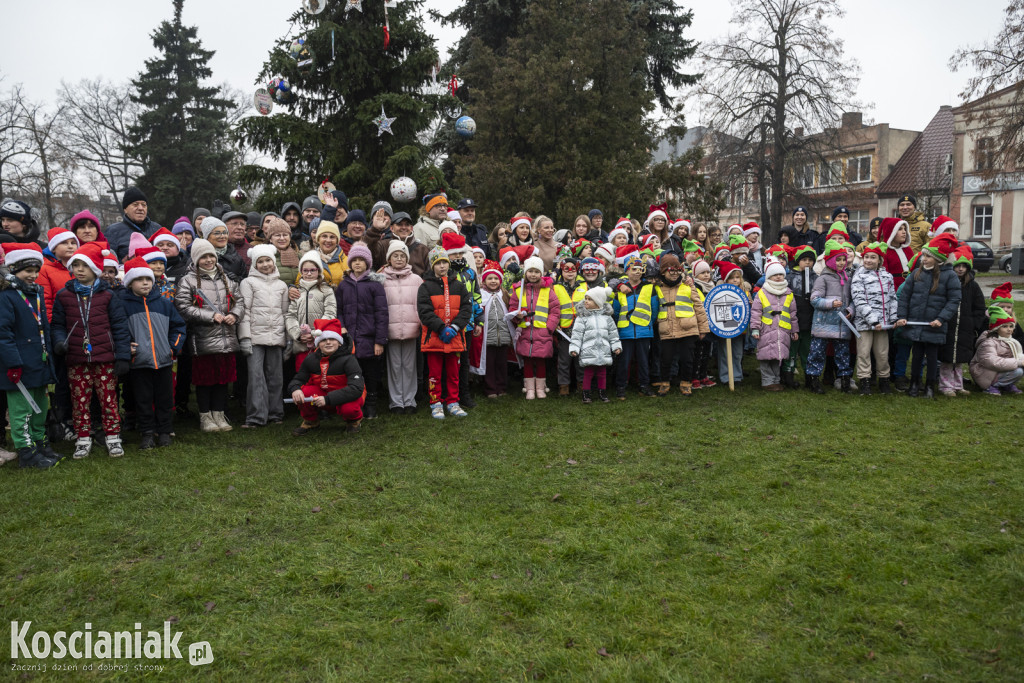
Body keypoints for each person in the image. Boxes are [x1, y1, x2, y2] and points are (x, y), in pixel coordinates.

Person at [51, 241, 131, 459]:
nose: (78, 270)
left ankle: (113, 436)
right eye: (75, 265)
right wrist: (59, 341)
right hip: (76, 358)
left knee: (108, 399)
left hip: (105, 358)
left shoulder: (108, 296)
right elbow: (57, 324)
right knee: (80, 401)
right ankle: (83, 437)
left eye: (83, 266)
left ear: (94, 269)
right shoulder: (63, 296)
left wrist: (122, 356)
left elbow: (120, 327)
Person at [0, 242, 61, 468]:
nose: (33, 275)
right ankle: (26, 453)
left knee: (39, 408)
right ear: (15, 270)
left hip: (39, 362)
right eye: (28, 271)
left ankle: (39, 443)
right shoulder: (6, 296)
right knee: (22, 411)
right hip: (18, 367)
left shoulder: (36, 293)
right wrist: (13, 363)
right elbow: (3, 334)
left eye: (36, 270)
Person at [174, 238, 244, 432]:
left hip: (226, 338)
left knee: (223, 379)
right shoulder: (188, 280)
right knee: (205, 380)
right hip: (203, 339)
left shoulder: (226, 279)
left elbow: (240, 302)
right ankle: (206, 416)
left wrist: (234, 315)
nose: (208, 260)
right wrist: (210, 316)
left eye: (211, 256)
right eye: (203, 257)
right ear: (196, 259)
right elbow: (183, 307)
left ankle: (219, 414)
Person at [118, 256, 187, 449]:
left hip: (164, 361)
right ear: (130, 283)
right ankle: (147, 432)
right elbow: (119, 331)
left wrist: (173, 347)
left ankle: (164, 431)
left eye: (148, 279)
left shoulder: (164, 304)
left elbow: (179, 326)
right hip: (139, 362)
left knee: (165, 399)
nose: (145, 283)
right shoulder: (123, 305)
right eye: (140, 280)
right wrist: (127, 348)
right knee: (143, 400)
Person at [895, 233, 962, 398]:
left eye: (927, 256)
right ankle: (914, 383)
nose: (923, 259)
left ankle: (930, 385)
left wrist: (941, 319)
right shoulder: (917, 273)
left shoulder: (950, 276)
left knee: (932, 356)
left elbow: (954, 300)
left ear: (938, 258)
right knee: (916, 354)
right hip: (916, 322)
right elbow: (905, 296)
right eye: (923, 255)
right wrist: (902, 316)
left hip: (934, 324)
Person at [335, 243, 388, 419]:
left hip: (370, 339)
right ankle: (355, 403)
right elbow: (339, 310)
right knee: (352, 374)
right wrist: (341, 327)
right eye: (354, 260)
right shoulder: (343, 285)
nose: (358, 263)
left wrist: (379, 341)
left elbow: (382, 314)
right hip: (350, 338)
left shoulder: (375, 285)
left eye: (361, 260)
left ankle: (371, 404)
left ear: (368, 263)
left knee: (371, 373)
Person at [238, 244, 290, 428]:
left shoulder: (281, 285)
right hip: (255, 338)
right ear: (254, 264)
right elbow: (244, 312)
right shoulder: (248, 283)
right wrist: (245, 338)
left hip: (276, 337)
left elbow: (285, 314)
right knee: (256, 377)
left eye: (268, 260)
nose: (266, 264)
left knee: (276, 377)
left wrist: (288, 338)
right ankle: (256, 416)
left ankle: (276, 413)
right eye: (261, 261)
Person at [418, 246, 472, 419]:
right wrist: (440, 328)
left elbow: (466, 308)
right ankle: (436, 402)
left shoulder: (459, 285)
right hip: (434, 338)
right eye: (438, 263)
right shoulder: (425, 287)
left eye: (444, 262)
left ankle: (453, 402)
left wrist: (455, 327)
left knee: (453, 373)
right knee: (434, 374)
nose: (442, 266)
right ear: (432, 265)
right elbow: (424, 311)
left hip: (455, 338)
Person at [288, 318, 366, 435]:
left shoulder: (349, 359)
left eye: (332, 339)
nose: (328, 342)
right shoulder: (311, 358)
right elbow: (298, 379)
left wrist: (328, 399)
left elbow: (356, 389)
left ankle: (353, 421)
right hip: (323, 394)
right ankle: (311, 421)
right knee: (302, 393)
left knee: (349, 408)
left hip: (345, 395)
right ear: (318, 344)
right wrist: (295, 389)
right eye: (323, 340)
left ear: (339, 342)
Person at [654, 253, 710, 396]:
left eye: (678, 270)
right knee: (665, 358)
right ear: (663, 271)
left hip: (688, 328)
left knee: (687, 359)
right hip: (667, 327)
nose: (674, 273)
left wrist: (703, 328)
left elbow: (698, 306)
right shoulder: (657, 287)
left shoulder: (688, 286)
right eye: (671, 270)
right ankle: (664, 383)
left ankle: (686, 383)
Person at [936, 244, 986, 397]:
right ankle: (945, 385)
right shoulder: (945, 282)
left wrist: (974, 324)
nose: (961, 269)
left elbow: (979, 307)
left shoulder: (973, 286)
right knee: (947, 358)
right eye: (958, 266)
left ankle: (958, 385)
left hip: (965, 327)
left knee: (959, 360)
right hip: (948, 326)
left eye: (964, 266)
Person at [806, 240, 854, 394]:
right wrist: (831, 303)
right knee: (817, 353)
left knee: (843, 354)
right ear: (830, 261)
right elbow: (814, 299)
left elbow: (853, 300)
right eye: (838, 260)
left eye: (843, 260)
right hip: (823, 324)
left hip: (842, 324)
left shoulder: (848, 279)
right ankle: (813, 380)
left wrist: (851, 310)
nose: (841, 263)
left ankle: (845, 380)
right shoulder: (822, 279)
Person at [380, 241, 423, 413]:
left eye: (402, 256)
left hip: (411, 329)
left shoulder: (416, 279)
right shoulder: (381, 279)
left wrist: (421, 325)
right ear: (389, 259)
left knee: (409, 366)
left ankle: (409, 400)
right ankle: (397, 402)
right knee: (395, 366)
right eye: (395, 256)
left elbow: (420, 304)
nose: (399, 259)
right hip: (391, 330)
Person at [850, 242, 898, 395]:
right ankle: (864, 382)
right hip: (865, 323)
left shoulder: (887, 276)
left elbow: (892, 298)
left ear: (880, 260)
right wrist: (873, 320)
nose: (869, 260)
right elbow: (859, 299)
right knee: (864, 352)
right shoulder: (859, 275)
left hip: (883, 324)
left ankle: (884, 380)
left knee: (882, 353)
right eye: (866, 257)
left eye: (873, 257)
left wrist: (893, 318)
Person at [611, 255, 659, 398]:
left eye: (640, 269)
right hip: (625, 330)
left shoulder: (650, 288)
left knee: (644, 360)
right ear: (627, 271)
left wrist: (650, 322)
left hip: (644, 330)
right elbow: (616, 309)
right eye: (634, 269)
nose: (637, 272)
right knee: (624, 361)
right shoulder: (620, 289)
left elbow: (654, 308)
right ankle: (621, 386)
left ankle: (644, 385)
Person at [749, 260, 799, 391]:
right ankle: (767, 381)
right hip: (766, 329)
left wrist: (794, 330)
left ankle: (776, 380)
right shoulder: (762, 293)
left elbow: (792, 314)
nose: (778, 277)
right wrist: (755, 328)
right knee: (766, 357)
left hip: (782, 330)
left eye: (781, 274)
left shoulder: (788, 293)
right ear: (768, 276)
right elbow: (756, 312)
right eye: (774, 274)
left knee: (778, 357)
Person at [567, 284, 620, 403]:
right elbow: (576, 335)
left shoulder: (607, 318)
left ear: (598, 302)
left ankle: (602, 393)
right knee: (588, 373)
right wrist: (574, 348)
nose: (586, 301)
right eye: (586, 298)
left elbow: (613, 334)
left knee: (602, 373)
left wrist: (616, 346)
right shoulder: (582, 317)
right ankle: (586, 394)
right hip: (588, 351)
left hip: (603, 350)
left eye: (590, 299)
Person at [286, 252, 337, 371]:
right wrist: (298, 334)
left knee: (321, 375)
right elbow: (290, 316)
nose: (309, 273)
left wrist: (314, 333)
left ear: (319, 271)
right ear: (301, 272)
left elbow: (330, 313)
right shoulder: (297, 292)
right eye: (305, 270)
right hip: (301, 345)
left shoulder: (326, 291)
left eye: (312, 270)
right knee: (303, 374)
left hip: (321, 343)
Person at [471, 260, 513, 398]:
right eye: (490, 278)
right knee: (489, 363)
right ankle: (490, 388)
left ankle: (501, 387)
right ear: (484, 280)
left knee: (502, 363)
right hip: (487, 336)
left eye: (496, 278)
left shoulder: (504, 294)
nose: (493, 281)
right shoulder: (481, 295)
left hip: (503, 335)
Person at [969, 306, 1024, 395]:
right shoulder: (988, 342)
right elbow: (992, 362)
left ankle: (1006, 384)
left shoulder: (1011, 341)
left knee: (1020, 369)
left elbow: (1018, 355)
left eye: (1011, 326)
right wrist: (1018, 362)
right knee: (1018, 370)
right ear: (996, 329)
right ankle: (992, 386)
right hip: (984, 372)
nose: (1009, 329)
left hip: (998, 370)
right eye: (1005, 326)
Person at [105, 187, 159, 260]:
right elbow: (108, 260)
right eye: (135, 204)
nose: (140, 208)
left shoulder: (157, 228)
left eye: (143, 205)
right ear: (125, 209)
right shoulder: (113, 231)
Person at [38, 227, 79, 322]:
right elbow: (45, 302)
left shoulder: (81, 268)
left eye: (73, 243)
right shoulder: (44, 270)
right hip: (58, 324)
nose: (70, 246)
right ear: (53, 248)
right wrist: (52, 327)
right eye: (64, 243)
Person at [199, 217, 247, 281]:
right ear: (207, 236)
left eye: (225, 232)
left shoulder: (236, 256)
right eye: (217, 233)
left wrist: (238, 279)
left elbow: (245, 279)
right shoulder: (198, 256)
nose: (222, 236)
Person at [311, 220, 349, 286]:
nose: (328, 240)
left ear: (337, 241)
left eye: (332, 237)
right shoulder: (310, 259)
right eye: (324, 236)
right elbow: (299, 283)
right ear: (318, 239)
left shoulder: (347, 262)